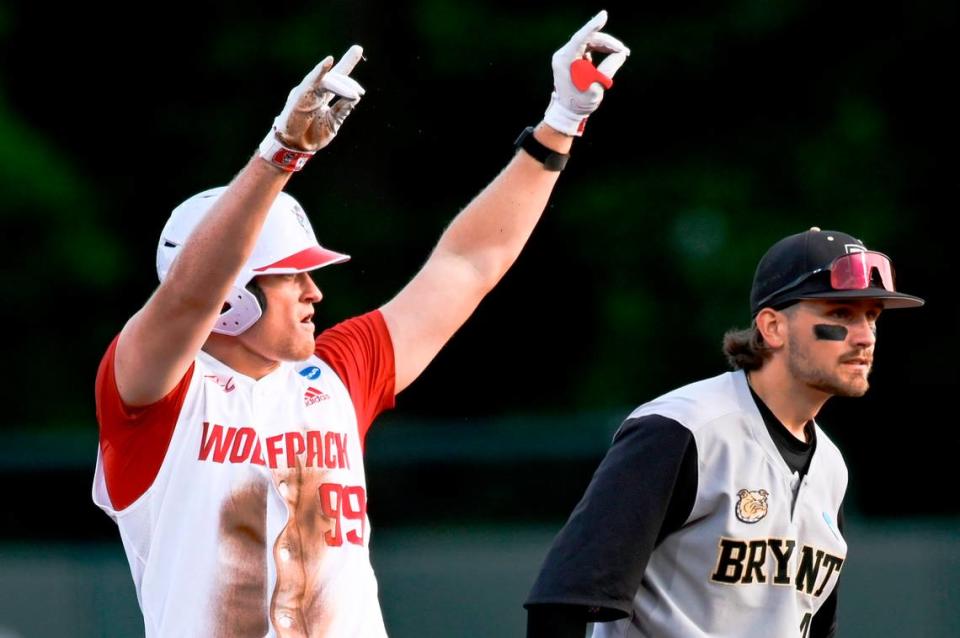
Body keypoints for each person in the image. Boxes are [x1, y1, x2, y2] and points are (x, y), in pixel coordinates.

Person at [91, 12, 629, 638]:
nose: (314, 291)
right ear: (232, 298)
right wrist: (280, 155)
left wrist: (560, 123)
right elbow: (188, 297)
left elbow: (467, 264)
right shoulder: (154, 396)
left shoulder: (334, 374)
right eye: (290, 276)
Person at [524, 227, 924, 638]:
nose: (865, 336)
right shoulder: (683, 429)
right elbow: (563, 601)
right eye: (840, 314)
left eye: (872, 316)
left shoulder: (831, 468)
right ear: (772, 327)